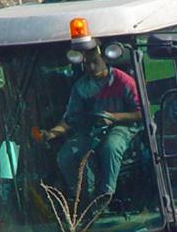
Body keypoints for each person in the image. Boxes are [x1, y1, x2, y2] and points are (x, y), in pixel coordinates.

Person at [37, 45, 142, 203]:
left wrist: (114, 117)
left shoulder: (123, 81)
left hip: (123, 128)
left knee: (111, 146)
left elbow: (141, 113)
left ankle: (106, 195)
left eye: (95, 62)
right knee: (66, 154)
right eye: (87, 64)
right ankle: (84, 198)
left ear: (105, 59)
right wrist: (52, 133)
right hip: (94, 130)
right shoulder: (81, 87)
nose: (91, 67)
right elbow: (70, 118)